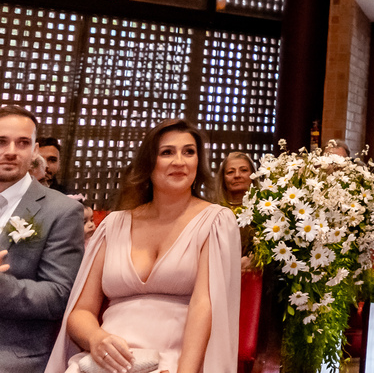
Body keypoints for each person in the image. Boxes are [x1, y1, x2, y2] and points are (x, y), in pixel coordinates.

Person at [45, 118, 240, 373]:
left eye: (189, 152)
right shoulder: (114, 224)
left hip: (175, 360)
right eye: (167, 152)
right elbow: (80, 311)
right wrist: (96, 339)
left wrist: (186, 370)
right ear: (148, 163)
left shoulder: (215, 221)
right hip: (107, 360)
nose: (179, 161)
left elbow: (204, 306)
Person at [0, 105, 85, 373]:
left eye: (23, 142)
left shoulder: (61, 210)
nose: (11, 150)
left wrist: (2, 288)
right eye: (1, 141)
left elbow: (59, 296)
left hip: (10, 353)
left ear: (34, 150)